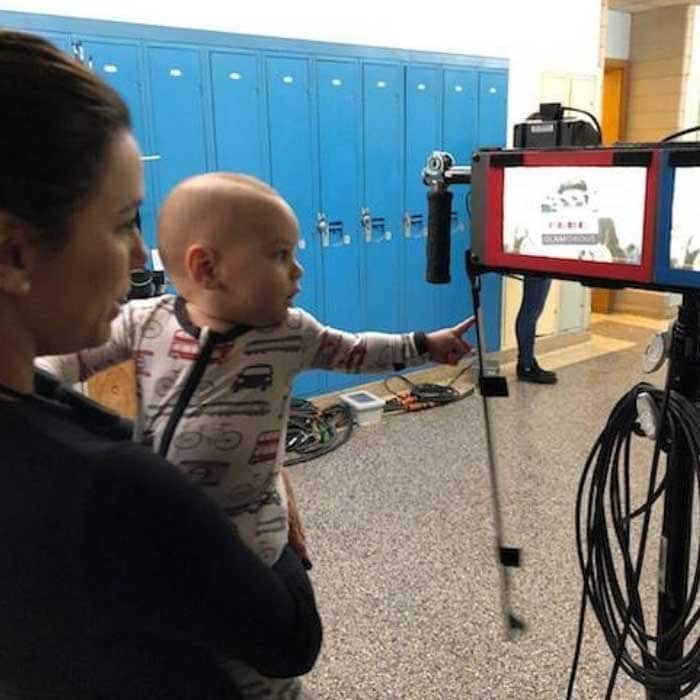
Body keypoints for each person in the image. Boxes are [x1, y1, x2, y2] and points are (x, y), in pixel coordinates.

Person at [39, 172, 476, 699]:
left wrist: (425, 343)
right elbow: (66, 362)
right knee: (183, 642)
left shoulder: (293, 332)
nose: (298, 270)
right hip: (166, 521)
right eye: (279, 256)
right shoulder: (145, 320)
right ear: (206, 267)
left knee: (257, 663)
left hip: (253, 531)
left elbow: (357, 350)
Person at [0, 30, 321, 700]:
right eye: (123, 223)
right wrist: (265, 500)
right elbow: (291, 638)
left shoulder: (38, 411)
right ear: (14, 254)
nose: (146, 255)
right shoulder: (115, 490)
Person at [515, 275, 558, 384]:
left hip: (540, 266)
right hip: (537, 267)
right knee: (530, 312)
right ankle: (526, 366)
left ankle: (527, 362)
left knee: (532, 311)